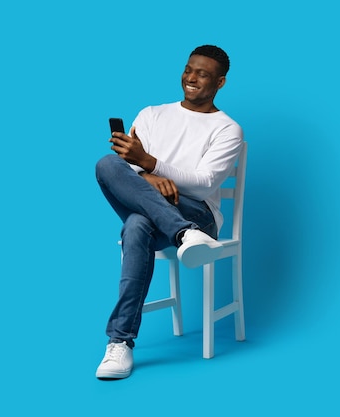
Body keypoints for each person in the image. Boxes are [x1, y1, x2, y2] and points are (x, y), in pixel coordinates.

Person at [94, 45, 243, 379]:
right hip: (178, 226)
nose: (191, 78)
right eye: (189, 69)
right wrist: (149, 177)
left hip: (200, 216)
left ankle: (119, 341)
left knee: (137, 221)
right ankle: (181, 234)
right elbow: (124, 170)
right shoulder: (151, 115)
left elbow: (204, 185)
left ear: (220, 83)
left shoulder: (228, 129)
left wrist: (150, 164)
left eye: (202, 74)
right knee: (110, 171)